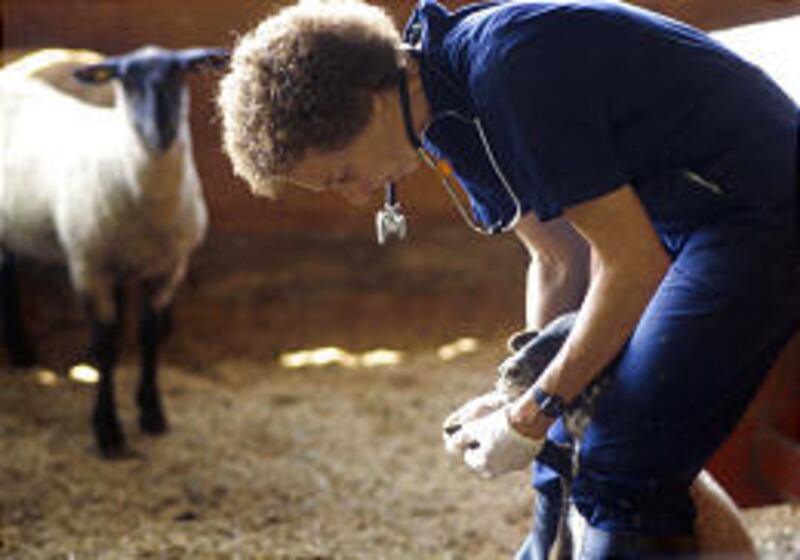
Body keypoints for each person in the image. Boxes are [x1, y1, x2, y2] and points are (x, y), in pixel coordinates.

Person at [217, 0, 800, 557]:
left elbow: (631, 263)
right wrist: (521, 393)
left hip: (763, 206)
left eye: (343, 173)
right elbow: (556, 258)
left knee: (622, 462)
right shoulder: (440, 111)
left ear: (369, 105)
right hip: (692, 217)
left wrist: (532, 412)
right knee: (561, 445)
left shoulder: (509, 71)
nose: (358, 195)